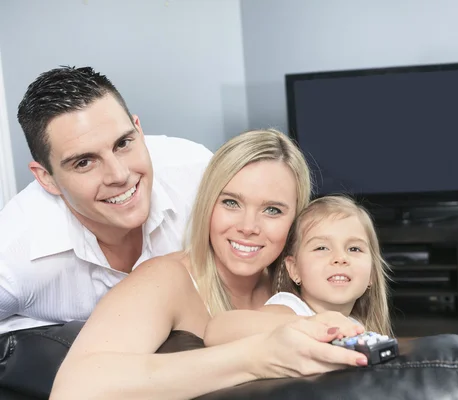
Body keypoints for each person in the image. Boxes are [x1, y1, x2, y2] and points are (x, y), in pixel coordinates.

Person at [50, 129, 370, 400]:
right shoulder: (166, 280)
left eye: (272, 210)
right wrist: (256, 358)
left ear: (295, 223)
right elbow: (73, 389)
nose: (248, 226)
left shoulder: (296, 285)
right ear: (208, 204)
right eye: (231, 202)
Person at [0, 66, 213, 334]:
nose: (120, 175)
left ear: (139, 129)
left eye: (123, 143)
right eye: (84, 162)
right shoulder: (14, 255)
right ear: (47, 178)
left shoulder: (198, 175)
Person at [204, 195, 393, 347]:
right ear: (294, 270)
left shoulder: (359, 329)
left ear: (372, 275)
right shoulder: (290, 309)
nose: (340, 258)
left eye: (354, 249)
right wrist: (311, 324)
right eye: (321, 248)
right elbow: (217, 330)